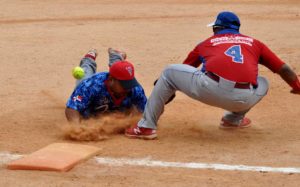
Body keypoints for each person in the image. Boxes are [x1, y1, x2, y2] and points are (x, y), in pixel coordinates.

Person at [125, 11, 300, 140]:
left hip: (210, 90)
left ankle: (146, 126)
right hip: (244, 98)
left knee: (169, 72)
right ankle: (233, 119)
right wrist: (297, 87)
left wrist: (163, 93)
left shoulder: (206, 43)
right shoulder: (256, 44)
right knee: (263, 82)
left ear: (217, 28)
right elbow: (284, 69)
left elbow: (183, 70)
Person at [65, 48, 147, 123]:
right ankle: (89, 59)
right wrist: (77, 130)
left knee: (120, 69)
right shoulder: (91, 85)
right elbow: (72, 109)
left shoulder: (135, 89)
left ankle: (116, 56)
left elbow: (146, 112)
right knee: (83, 79)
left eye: (130, 82)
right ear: (111, 80)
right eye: (124, 84)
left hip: (113, 80)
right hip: (92, 87)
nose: (129, 87)